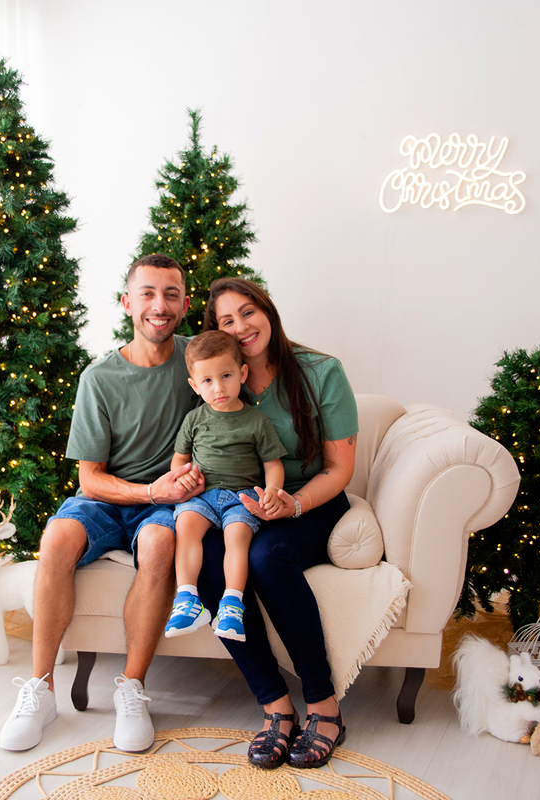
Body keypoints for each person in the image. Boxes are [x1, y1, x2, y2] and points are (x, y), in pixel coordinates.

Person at [0, 254, 205, 753]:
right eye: (148, 293)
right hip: (111, 497)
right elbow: (89, 479)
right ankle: (41, 689)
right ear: (126, 302)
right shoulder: (99, 377)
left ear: (185, 304)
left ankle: (131, 688)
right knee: (57, 537)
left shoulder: (198, 364)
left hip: (166, 506)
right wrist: (152, 490)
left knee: (158, 543)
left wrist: (186, 482)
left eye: (171, 294)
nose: (160, 305)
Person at [196, 276, 359, 770]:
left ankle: (324, 707)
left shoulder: (321, 372)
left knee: (267, 558)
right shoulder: (220, 377)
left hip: (312, 501)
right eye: (227, 321)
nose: (242, 326)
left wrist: (292, 505)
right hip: (242, 505)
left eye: (248, 312)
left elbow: (339, 469)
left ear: (267, 311)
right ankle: (275, 708)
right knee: (208, 560)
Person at [165, 331, 287, 642]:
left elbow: (273, 465)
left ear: (242, 374)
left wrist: (272, 491)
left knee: (237, 538)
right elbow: (178, 462)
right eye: (207, 381)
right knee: (186, 526)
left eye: (226, 376)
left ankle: (232, 604)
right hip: (201, 496)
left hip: (242, 498)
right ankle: (187, 598)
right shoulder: (193, 420)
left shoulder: (256, 421)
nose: (218, 388)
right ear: (194, 385)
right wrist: (183, 477)